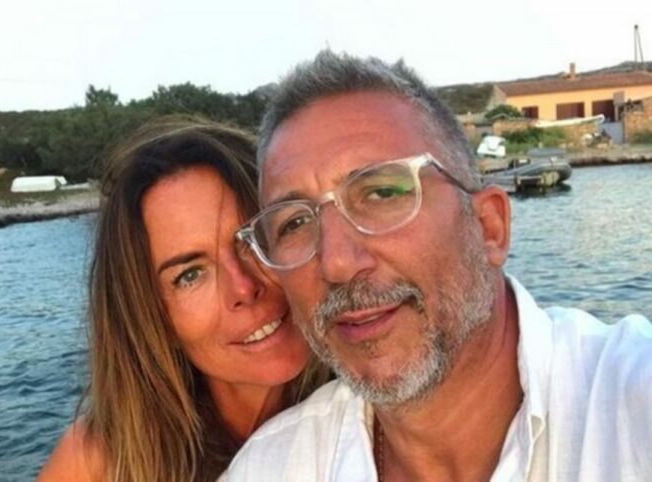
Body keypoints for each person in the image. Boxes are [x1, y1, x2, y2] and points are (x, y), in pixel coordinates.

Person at [227, 50, 652, 481]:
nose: (336, 263)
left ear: (489, 228)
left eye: (382, 193)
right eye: (294, 223)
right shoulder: (271, 468)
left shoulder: (630, 401)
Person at [37, 117, 328, 482]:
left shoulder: (380, 408)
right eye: (190, 275)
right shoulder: (99, 462)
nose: (243, 288)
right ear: (153, 318)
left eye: (255, 239)